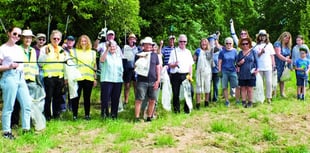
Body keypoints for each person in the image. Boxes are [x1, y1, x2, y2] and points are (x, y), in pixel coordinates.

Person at [0, 26, 32, 139]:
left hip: (20, 77)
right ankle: (6, 131)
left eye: (19, 35)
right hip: (9, 77)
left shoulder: (19, 48)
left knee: (27, 104)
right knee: (9, 106)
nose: (17, 37)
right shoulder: (2, 48)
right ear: (9, 33)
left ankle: (26, 129)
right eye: (15, 34)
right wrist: (9, 66)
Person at [38, 30, 65, 121]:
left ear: (60, 39)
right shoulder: (45, 48)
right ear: (50, 39)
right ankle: (48, 116)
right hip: (49, 77)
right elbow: (40, 64)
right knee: (48, 97)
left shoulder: (62, 50)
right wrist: (45, 54)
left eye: (58, 38)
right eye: (54, 38)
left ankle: (56, 115)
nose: (56, 40)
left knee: (58, 97)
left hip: (60, 77)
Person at [70, 35, 97, 120]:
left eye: (85, 41)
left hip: (88, 78)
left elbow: (94, 66)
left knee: (87, 97)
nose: (83, 42)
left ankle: (87, 114)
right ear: (79, 42)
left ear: (88, 42)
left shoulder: (93, 52)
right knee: (76, 97)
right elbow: (71, 65)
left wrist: (95, 78)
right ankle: (75, 115)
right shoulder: (74, 51)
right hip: (78, 78)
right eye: (82, 41)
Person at [134, 37, 160, 122]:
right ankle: (137, 118)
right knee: (139, 99)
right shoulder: (139, 54)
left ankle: (149, 117)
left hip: (153, 81)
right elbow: (135, 67)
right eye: (146, 44)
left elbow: (158, 68)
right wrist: (141, 59)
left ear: (152, 46)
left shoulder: (155, 55)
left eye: (150, 44)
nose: (148, 46)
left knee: (152, 100)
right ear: (143, 45)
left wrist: (158, 80)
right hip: (142, 81)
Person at [168, 34, 194, 113]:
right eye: (181, 41)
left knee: (190, 92)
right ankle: (176, 110)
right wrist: (174, 64)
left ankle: (187, 109)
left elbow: (190, 65)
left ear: (186, 42)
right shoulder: (173, 51)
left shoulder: (188, 52)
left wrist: (191, 75)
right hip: (176, 75)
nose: (182, 43)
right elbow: (169, 64)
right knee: (176, 93)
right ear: (178, 42)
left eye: (184, 41)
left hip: (186, 75)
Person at [100, 40, 123, 119]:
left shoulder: (119, 56)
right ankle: (104, 114)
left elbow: (121, 68)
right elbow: (102, 60)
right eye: (111, 46)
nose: (112, 48)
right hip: (107, 79)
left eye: (114, 46)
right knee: (105, 98)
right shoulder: (106, 54)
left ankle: (114, 115)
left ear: (116, 47)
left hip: (117, 80)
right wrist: (107, 49)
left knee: (115, 98)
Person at [253, 30, 275, 104]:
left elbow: (272, 56)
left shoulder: (270, 45)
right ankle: (261, 98)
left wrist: (273, 65)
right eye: (261, 36)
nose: (262, 37)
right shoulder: (256, 46)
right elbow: (256, 57)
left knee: (269, 82)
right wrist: (261, 52)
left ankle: (268, 97)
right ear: (258, 37)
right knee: (260, 83)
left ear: (266, 37)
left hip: (268, 66)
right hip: (259, 67)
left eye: (264, 36)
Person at [236, 38, 258, 108]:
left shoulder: (253, 52)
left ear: (249, 44)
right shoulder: (240, 53)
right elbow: (237, 64)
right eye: (243, 44)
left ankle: (250, 102)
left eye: (246, 43)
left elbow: (257, 62)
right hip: (242, 74)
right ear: (241, 45)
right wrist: (240, 62)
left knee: (250, 89)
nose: (245, 45)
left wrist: (257, 70)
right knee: (243, 88)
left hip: (251, 73)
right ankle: (243, 101)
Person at [218, 37, 238, 107]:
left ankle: (237, 100)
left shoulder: (235, 51)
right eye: (227, 43)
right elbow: (219, 62)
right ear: (225, 44)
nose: (228, 44)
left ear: (232, 44)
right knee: (225, 87)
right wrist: (219, 71)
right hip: (224, 71)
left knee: (236, 86)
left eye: (230, 43)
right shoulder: (222, 52)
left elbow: (237, 61)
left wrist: (238, 69)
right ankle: (227, 100)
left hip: (233, 71)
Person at [193, 38, 212, 109]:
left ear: (207, 44)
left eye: (205, 42)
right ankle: (198, 103)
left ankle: (206, 102)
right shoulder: (198, 50)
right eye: (202, 42)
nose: (204, 43)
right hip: (199, 72)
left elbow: (211, 61)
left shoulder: (209, 51)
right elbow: (193, 59)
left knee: (207, 87)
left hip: (208, 71)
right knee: (199, 87)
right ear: (200, 44)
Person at [274, 31, 292, 97]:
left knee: (283, 79)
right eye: (285, 37)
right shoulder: (277, 43)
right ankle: (274, 93)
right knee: (275, 79)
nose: (286, 39)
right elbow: (278, 54)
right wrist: (287, 59)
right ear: (282, 37)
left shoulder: (288, 46)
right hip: (277, 63)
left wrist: (288, 57)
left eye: (288, 38)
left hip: (284, 64)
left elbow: (289, 54)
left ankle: (282, 93)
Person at [122, 33, 139, 108]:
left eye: (133, 38)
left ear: (135, 40)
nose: (132, 40)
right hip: (127, 69)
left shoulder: (138, 48)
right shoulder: (125, 48)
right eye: (130, 38)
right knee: (127, 86)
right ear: (128, 40)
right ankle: (126, 101)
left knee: (136, 86)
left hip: (136, 69)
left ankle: (137, 101)